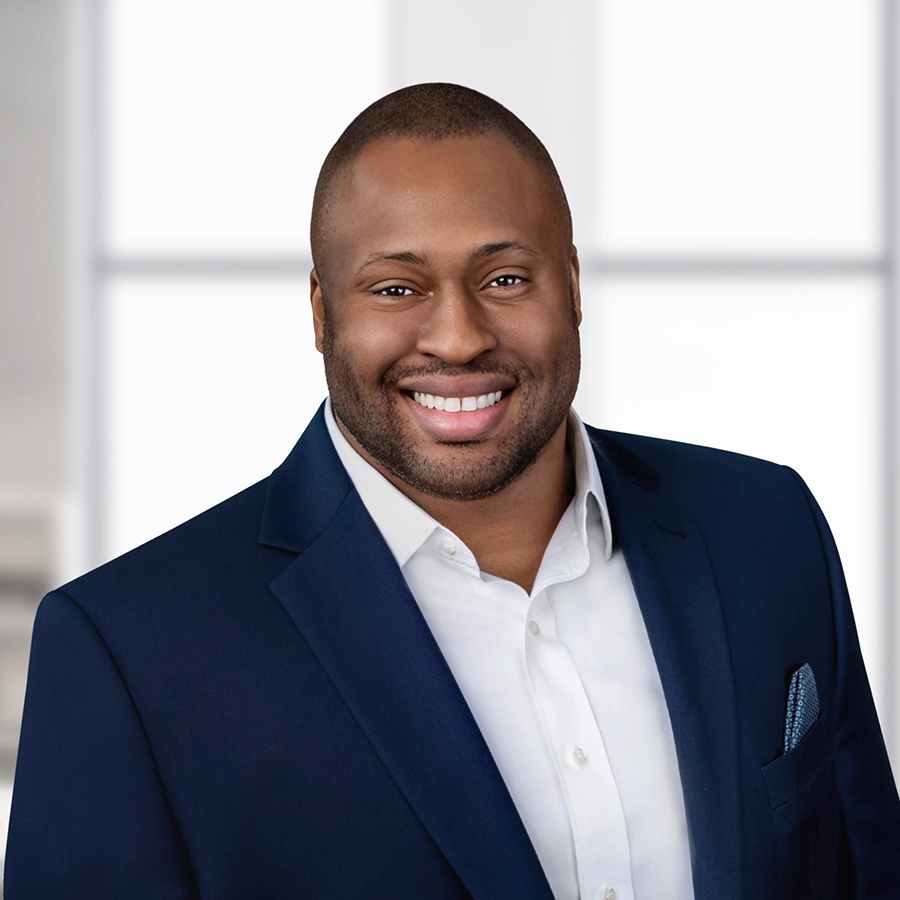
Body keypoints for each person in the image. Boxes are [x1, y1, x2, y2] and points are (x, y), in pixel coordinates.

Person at [4, 83, 900, 900]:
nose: (460, 337)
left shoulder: (766, 528)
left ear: (574, 285)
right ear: (321, 314)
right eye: (397, 287)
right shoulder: (128, 652)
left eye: (505, 278)